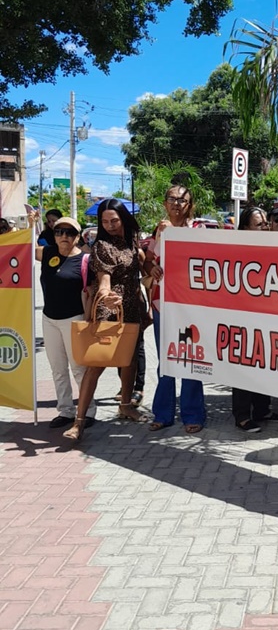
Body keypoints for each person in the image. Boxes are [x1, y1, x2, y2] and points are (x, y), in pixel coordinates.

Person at [63, 199, 150, 442]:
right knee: (96, 365)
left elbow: (142, 265)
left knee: (130, 360)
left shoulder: (133, 241)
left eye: (114, 220)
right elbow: (104, 279)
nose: (110, 225)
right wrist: (106, 294)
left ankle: (125, 405)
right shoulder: (101, 245)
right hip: (109, 309)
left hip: (132, 308)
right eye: (104, 222)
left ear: (123, 219)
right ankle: (78, 422)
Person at [145, 183, 206, 434]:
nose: (176, 204)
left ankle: (193, 413)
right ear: (165, 203)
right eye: (172, 199)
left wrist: (174, 235)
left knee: (192, 358)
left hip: (191, 305)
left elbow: (199, 256)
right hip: (163, 303)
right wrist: (151, 269)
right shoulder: (158, 230)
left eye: (182, 200)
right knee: (166, 359)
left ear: (189, 205)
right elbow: (148, 260)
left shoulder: (199, 229)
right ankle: (163, 412)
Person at [35, 217, 97, 429]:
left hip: (74, 319)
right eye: (60, 232)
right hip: (49, 319)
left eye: (70, 233)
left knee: (78, 368)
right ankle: (66, 410)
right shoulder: (48, 253)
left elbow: (92, 292)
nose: (64, 236)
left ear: (78, 237)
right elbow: (25, 247)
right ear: (54, 235)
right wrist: (29, 225)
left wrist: (88, 320)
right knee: (57, 368)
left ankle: (87, 411)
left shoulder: (85, 260)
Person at [232, 206, 278, 433]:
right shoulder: (237, 252)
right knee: (245, 365)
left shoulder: (274, 248)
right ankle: (242, 415)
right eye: (259, 224)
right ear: (245, 228)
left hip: (267, 317)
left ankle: (263, 409)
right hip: (244, 317)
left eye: (266, 223)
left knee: (264, 365)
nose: (265, 226)